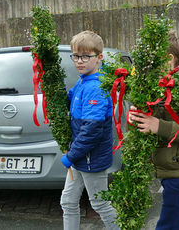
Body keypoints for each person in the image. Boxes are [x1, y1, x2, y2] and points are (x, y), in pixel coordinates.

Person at [129, 31, 179, 230]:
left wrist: (158, 126)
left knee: (168, 226)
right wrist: (135, 118)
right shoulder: (154, 84)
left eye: (149, 63)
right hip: (174, 170)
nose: (142, 69)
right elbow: (148, 122)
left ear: (168, 59)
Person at [60, 30, 119, 230]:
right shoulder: (83, 81)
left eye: (86, 56)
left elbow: (91, 130)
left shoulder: (96, 88)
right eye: (76, 56)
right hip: (80, 157)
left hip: (90, 159)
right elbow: (72, 101)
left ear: (99, 57)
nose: (79, 61)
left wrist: (71, 155)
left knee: (100, 203)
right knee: (67, 202)